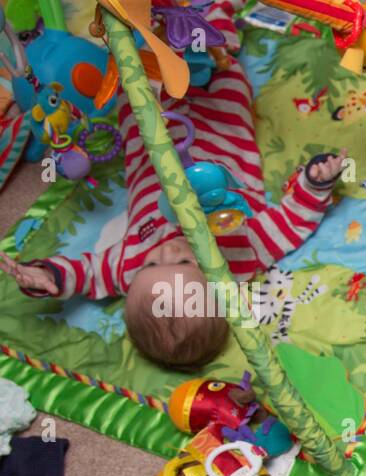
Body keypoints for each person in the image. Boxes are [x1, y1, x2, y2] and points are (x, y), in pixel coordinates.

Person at [0, 0, 344, 368]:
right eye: (183, 259)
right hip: (218, 119)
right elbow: (289, 224)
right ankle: (219, 9)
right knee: (214, 55)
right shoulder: (240, 255)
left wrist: (47, 275)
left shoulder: (126, 264)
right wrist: (314, 184)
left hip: (149, 126)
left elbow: (84, 274)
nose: (167, 248)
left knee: (136, 60)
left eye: (151, 264)